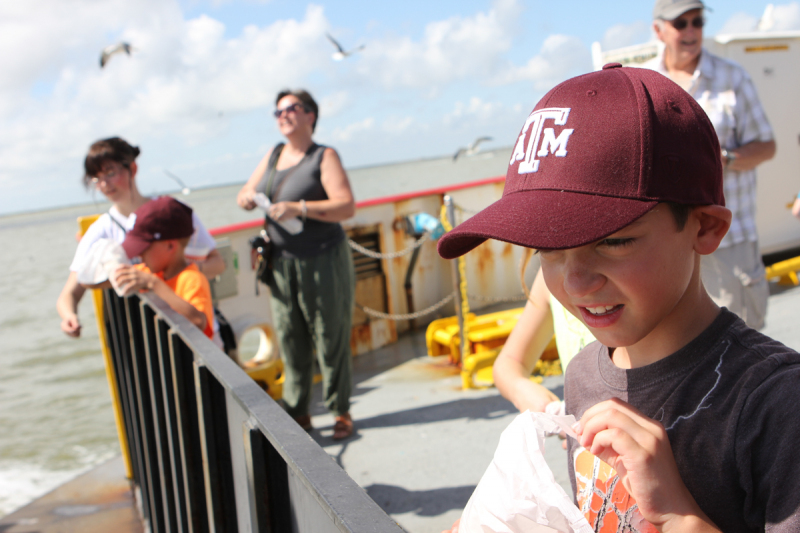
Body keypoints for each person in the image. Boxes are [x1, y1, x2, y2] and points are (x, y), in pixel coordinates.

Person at [438, 64, 800, 531]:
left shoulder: (776, 404)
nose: (575, 283)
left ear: (705, 228)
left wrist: (678, 514)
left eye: (612, 241)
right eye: (547, 249)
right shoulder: (584, 374)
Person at [644, 0, 776, 330]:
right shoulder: (644, 84)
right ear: (658, 30)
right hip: (667, 244)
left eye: (697, 21)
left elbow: (767, 146)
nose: (691, 30)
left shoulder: (734, 77)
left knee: (744, 349)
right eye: (681, 22)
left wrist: (724, 159)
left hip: (731, 240)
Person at [236, 89, 357, 440]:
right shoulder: (274, 154)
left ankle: (340, 411)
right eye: (278, 111)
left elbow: (346, 206)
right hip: (282, 263)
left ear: (310, 116)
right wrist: (247, 198)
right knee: (291, 338)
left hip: (322, 259)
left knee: (329, 334)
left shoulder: (324, 155)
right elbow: (246, 191)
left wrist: (299, 208)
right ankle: (298, 410)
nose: (283, 115)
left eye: (292, 108)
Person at [56, 137, 225, 339]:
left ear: (132, 169)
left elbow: (218, 263)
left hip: (189, 326)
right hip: (140, 335)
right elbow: (75, 287)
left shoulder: (171, 213)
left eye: (110, 173)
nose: (104, 184)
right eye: (96, 178)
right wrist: (69, 316)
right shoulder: (99, 230)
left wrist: (172, 275)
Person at [114, 197, 214, 338]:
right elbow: (117, 276)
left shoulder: (192, 279)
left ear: (170, 246)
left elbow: (198, 321)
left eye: (144, 248)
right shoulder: (148, 270)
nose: (139, 254)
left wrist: (154, 284)